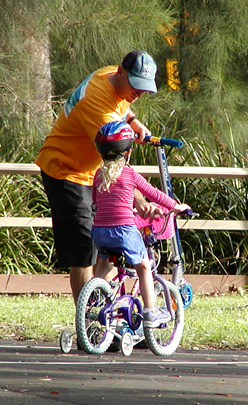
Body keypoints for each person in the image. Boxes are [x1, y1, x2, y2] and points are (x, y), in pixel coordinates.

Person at [35, 50, 161, 303]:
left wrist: (133, 122)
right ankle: (91, 326)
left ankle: (106, 320)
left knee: (110, 242)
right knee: (84, 250)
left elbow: (122, 106)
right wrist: (138, 199)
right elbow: (115, 164)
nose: (139, 93)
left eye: (144, 88)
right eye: (136, 86)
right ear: (121, 72)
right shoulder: (96, 104)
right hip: (66, 171)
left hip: (94, 174)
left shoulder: (110, 77)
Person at [92, 121, 191, 327]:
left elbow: (95, 199)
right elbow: (153, 194)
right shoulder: (130, 174)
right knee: (144, 267)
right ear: (127, 152)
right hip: (124, 231)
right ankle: (150, 312)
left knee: (104, 263)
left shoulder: (98, 175)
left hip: (99, 231)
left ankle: (93, 296)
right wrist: (176, 206)